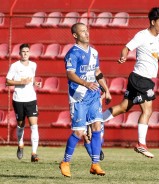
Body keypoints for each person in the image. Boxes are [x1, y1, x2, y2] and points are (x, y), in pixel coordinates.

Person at [102, 7, 159, 158]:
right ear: (153, 21)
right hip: (140, 79)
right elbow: (126, 47)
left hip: (141, 78)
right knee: (147, 110)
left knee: (123, 107)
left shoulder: (158, 38)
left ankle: (96, 120)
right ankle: (141, 144)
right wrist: (123, 56)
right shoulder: (142, 35)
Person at [59, 22, 111, 177]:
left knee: (96, 127)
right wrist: (86, 83)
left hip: (94, 95)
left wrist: (106, 90)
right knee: (79, 132)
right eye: (82, 31)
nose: (86, 33)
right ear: (75, 35)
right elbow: (70, 74)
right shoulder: (72, 53)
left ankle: (95, 164)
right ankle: (65, 162)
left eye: (87, 30)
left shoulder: (94, 52)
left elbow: (97, 72)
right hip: (79, 96)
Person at [6, 43, 41, 162]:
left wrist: (35, 83)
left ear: (29, 53)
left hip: (31, 99)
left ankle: (34, 153)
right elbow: (7, 82)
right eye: (23, 51)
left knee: (34, 126)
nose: (25, 53)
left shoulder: (33, 65)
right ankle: (20, 145)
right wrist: (22, 82)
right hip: (18, 100)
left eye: (27, 51)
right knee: (21, 125)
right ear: (20, 53)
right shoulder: (14, 66)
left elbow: (32, 79)